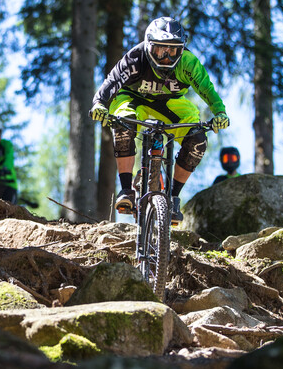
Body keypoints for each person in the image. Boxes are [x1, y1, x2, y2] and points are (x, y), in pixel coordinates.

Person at [89, 16, 230, 223]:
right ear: (148, 46)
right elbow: (112, 81)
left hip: (169, 101)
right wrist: (100, 103)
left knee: (197, 140)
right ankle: (126, 190)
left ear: (181, 50)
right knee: (123, 125)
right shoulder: (136, 57)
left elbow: (207, 89)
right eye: (160, 50)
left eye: (172, 51)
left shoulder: (188, 63)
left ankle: (173, 197)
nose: (165, 57)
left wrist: (220, 113)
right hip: (132, 98)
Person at [0, 119, 18, 203]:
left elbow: (9, 158)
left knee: (10, 212)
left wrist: (5, 169)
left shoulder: (6, 144)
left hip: (8, 185)